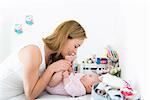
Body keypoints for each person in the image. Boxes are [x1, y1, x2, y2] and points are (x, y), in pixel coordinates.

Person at [0, 20, 87, 100]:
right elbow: (30, 95)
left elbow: (50, 84)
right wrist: (51, 69)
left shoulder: (51, 56)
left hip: (15, 94)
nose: (75, 52)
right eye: (76, 46)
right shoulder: (33, 52)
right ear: (65, 38)